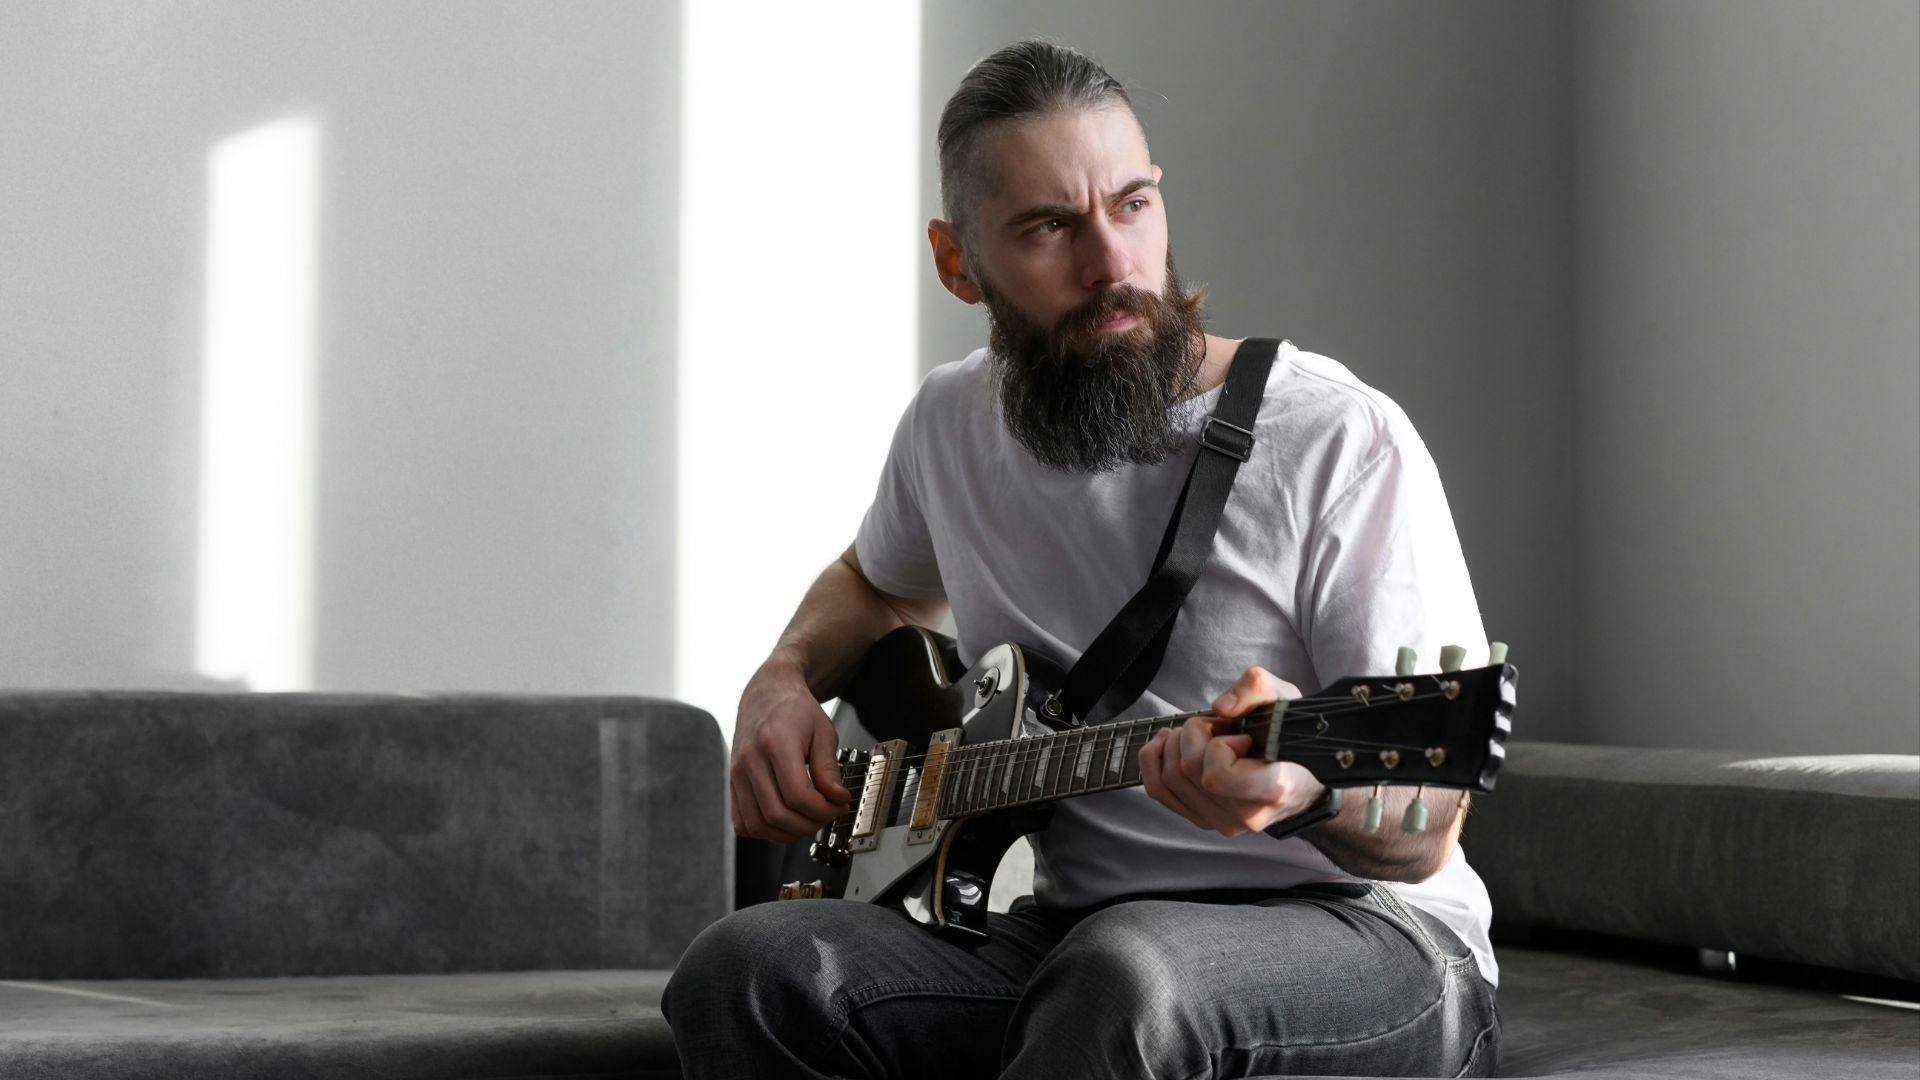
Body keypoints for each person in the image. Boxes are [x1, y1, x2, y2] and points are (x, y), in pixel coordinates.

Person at [664, 39, 1500, 1079]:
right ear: (956, 260)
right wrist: (782, 679)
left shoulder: (1337, 440)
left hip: (1371, 935)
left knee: (1123, 976)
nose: (1113, 263)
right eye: (1051, 226)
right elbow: (874, 586)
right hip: (1083, 934)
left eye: (1133, 205)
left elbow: (1426, 827)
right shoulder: (947, 423)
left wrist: (1310, 794)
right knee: (750, 967)